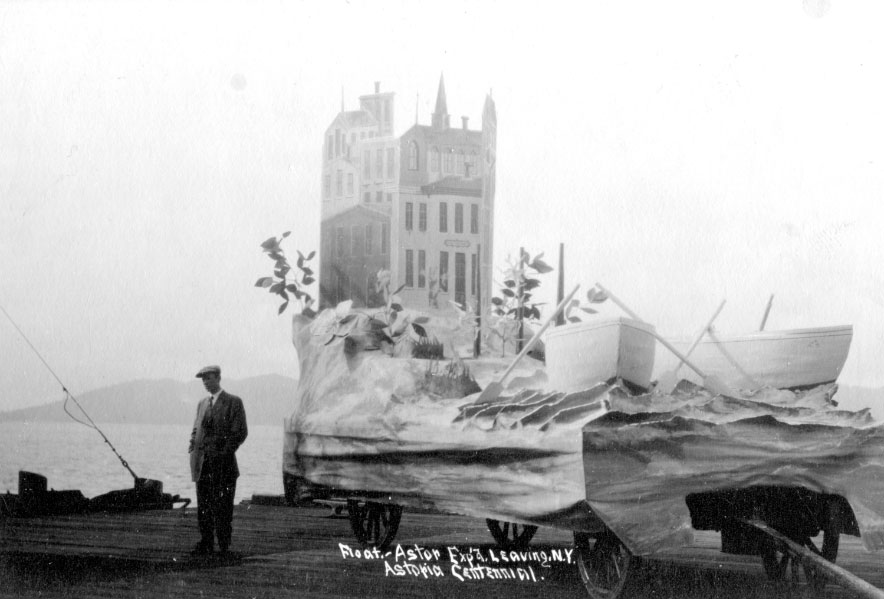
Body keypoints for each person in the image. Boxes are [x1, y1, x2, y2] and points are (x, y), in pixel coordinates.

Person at [189, 365, 248, 556]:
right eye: (203, 380)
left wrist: (224, 453)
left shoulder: (233, 402)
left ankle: (224, 544)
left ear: (219, 378)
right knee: (204, 505)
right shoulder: (202, 404)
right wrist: (192, 445)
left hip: (224, 466)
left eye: (209, 378)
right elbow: (196, 429)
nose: (206, 382)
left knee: (223, 506)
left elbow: (240, 432)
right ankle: (206, 542)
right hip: (202, 463)